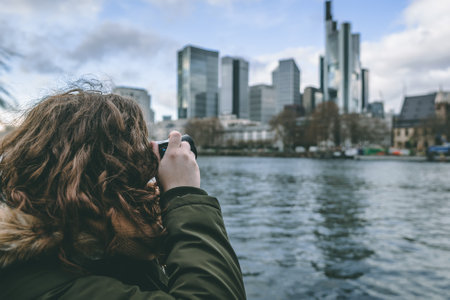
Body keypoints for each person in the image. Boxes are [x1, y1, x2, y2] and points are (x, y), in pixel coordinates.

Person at [0, 89, 246, 299]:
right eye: (133, 147)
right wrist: (184, 193)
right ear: (102, 173)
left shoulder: (91, 244)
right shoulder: (51, 285)